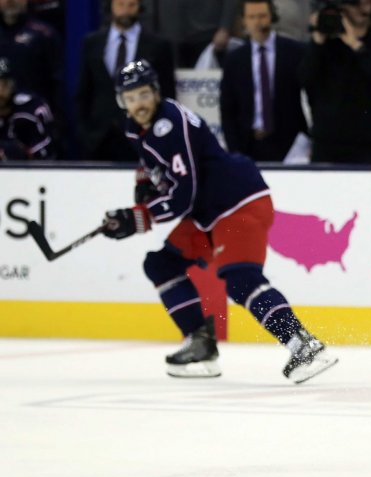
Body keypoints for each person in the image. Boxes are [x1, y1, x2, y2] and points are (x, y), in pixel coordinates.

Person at [101, 60, 337, 382]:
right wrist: (144, 188)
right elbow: (152, 164)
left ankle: (303, 345)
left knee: (240, 280)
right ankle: (201, 345)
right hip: (207, 212)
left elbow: (183, 195)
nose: (138, 104)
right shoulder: (134, 125)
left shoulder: (170, 123)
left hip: (237, 203)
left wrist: (139, 216)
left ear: (156, 92)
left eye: (143, 95)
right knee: (161, 264)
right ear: (121, 101)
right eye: (130, 98)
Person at [75, 0, 175, 161]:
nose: (125, 11)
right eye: (120, 4)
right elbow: (84, 91)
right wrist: (86, 133)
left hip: (142, 138)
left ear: (140, 7)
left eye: (131, 5)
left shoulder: (158, 46)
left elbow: (167, 95)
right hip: (98, 138)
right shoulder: (92, 43)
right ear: (110, 6)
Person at [299, 0, 371, 164]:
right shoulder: (325, 45)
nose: (361, 9)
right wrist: (317, 42)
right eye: (355, 4)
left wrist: (355, 45)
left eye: (366, 4)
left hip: (366, 142)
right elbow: (305, 78)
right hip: (326, 141)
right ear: (342, 9)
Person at [220, 0, 308, 162]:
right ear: (244, 21)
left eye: (262, 16)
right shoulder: (235, 59)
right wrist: (235, 150)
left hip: (289, 146)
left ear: (272, 17)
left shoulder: (295, 52)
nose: (257, 22)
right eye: (252, 17)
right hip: (247, 144)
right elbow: (228, 109)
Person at [0, 57, 55, 160]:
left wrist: (16, 152)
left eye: (4, 84)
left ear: (12, 84)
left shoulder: (31, 110)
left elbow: (45, 159)